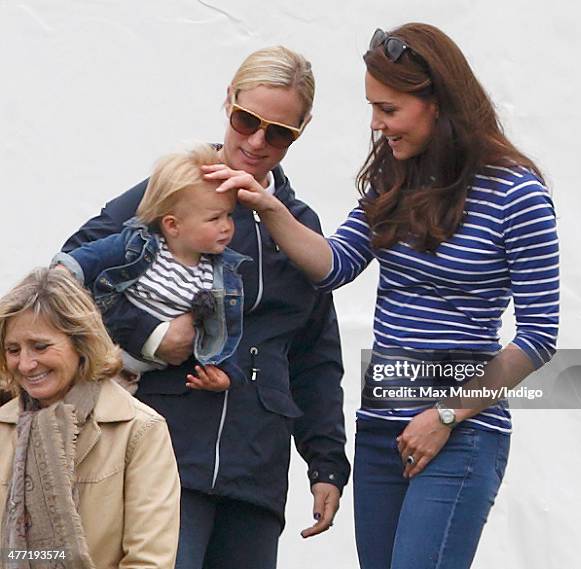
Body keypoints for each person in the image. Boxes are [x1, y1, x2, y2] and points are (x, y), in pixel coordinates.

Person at [203, 23, 560, 569]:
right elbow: (335, 265)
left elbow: (538, 339)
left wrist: (444, 415)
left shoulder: (518, 195)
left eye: (388, 109)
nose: (376, 123)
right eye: (373, 107)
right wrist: (269, 207)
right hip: (382, 424)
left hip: (460, 432)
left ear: (435, 102)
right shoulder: (393, 178)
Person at [60, 46, 350, 569]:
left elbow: (315, 354)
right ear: (229, 103)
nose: (257, 142)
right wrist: (150, 334)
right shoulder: (173, 187)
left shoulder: (300, 224)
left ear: (303, 130)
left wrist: (327, 462)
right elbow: (67, 282)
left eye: (280, 132)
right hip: (162, 449)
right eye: (247, 121)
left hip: (257, 470)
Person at [0, 267, 180, 568]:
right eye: (13, 350)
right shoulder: (4, 427)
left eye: (40, 346)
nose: (26, 364)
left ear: (80, 342)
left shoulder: (140, 430)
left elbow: (150, 560)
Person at [52, 144, 247, 394]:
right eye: (214, 219)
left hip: (131, 379)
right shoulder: (138, 246)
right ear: (173, 225)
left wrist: (226, 372)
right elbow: (88, 258)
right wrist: (65, 272)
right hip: (93, 354)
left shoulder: (219, 278)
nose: (227, 226)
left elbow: (224, 330)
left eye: (229, 215)